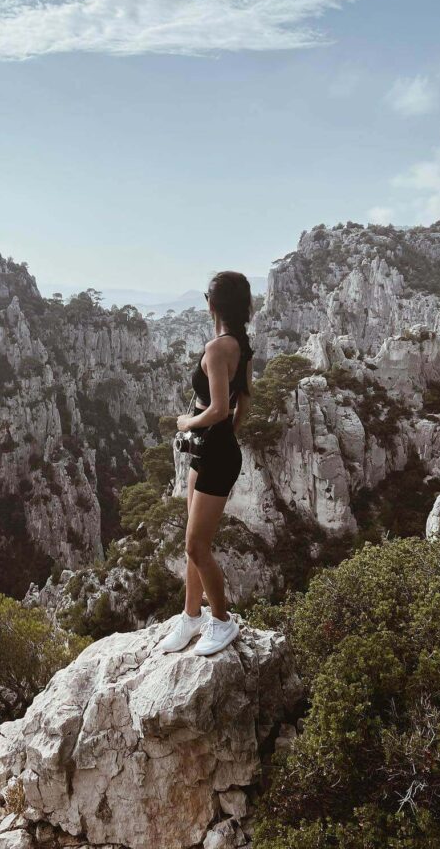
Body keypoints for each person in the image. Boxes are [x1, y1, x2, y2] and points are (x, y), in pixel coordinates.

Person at [156, 271, 253, 656]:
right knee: (190, 542)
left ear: (211, 304)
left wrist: (186, 423)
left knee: (197, 546)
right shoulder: (242, 346)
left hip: (214, 453)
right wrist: (227, 433)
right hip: (213, 451)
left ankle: (221, 622)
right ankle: (190, 616)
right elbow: (244, 402)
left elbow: (217, 408)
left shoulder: (217, 348)